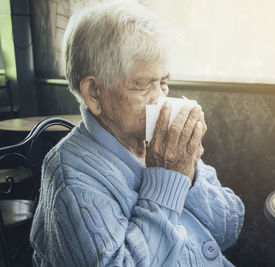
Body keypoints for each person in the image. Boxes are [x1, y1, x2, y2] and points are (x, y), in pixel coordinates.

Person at [30, 1, 244, 266]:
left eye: (163, 82)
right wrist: (169, 180)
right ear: (94, 93)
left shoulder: (162, 143)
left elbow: (229, 229)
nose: (159, 99)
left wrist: (189, 175)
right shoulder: (71, 179)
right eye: (141, 85)